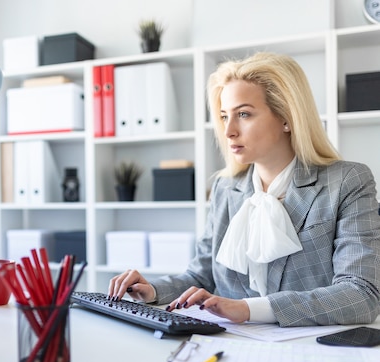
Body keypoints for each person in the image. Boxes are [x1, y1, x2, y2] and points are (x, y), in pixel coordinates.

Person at [108, 52, 380, 327]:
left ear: (287, 117)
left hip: (314, 351)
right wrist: (151, 290)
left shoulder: (347, 181)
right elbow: (201, 277)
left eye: (244, 114)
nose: (229, 131)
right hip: (229, 346)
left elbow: (361, 295)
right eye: (225, 116)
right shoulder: (225, 188)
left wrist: (249, 309)